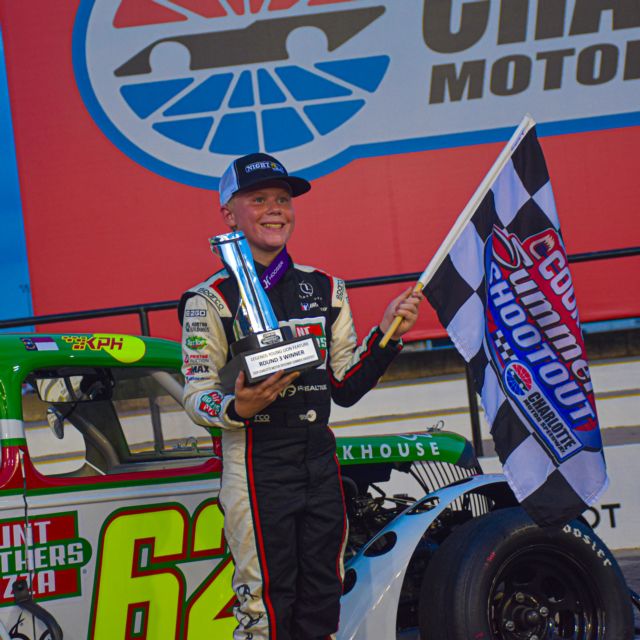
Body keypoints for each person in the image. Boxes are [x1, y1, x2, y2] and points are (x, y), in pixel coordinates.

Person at [179, 152, 421, 640]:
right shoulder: (209, 299)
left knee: (322, 600)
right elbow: (195, 394)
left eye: (283, 199)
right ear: (229, 213)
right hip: (254, 466)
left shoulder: (326, 288)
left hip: (318, 462)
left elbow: (345, 387)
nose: (275, 209)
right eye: (259, 199)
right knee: (266, 605)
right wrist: (236, 408)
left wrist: (389, 334)